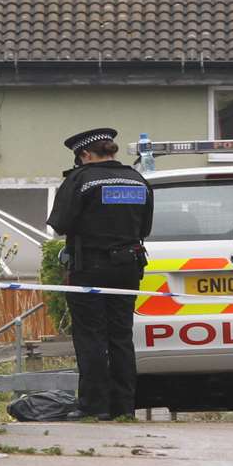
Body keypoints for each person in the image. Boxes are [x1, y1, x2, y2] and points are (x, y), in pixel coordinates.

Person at [46, 127, 154, 420]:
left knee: (91, 336)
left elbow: (60, 224)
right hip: (129, 268)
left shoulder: (80, 180)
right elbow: (145, 229)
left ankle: (94, 406)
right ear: (112, 151)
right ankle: (124, 407)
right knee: (121, 336)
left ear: (84, 154)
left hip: (90, 268)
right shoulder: (137, 180)